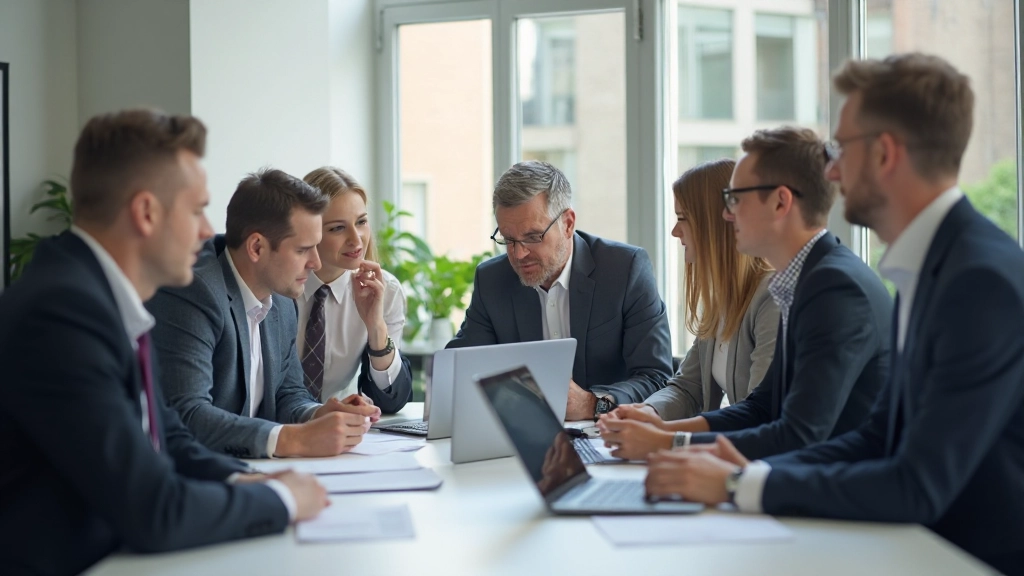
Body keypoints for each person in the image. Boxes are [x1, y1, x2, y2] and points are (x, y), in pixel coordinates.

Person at [644, 53, 1024, 575]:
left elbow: (917, 483)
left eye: (842, 149)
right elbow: (876, 437)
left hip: (961, 557)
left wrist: (740, 482)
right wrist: (730, 466)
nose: (832, 170)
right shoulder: (934, 265)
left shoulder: (977, 279)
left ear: (886, 153)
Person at [0, 109, 328, 574]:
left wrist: (248, 480)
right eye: (196, 210)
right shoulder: (61, 314)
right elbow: (154, 511)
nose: (205, 231)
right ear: (146, 213)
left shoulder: (96, 295)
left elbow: (166, 432)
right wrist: (280, 499)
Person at [601, 127, 892, 461]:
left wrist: (668, 444)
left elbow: (798, 435)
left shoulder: (836, 289)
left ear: (781, 202)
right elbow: (761, 408)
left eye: (735, 199)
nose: (727, 214)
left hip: (835, 495)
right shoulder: (809, 279)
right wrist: (658, 428)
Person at [148, 169, 377, 459]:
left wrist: (318, 414)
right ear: (256, 247)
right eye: (303, 250)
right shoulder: (192, 292)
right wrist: (295, 439)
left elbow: (288, 394)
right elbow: (187, 414)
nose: (315, 262)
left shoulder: (280, 298)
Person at [447, 160, 673, 420]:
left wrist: (593, 404)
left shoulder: (624, 270)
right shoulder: (492, 280)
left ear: (567, 223)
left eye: (533, 237)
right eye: (508, 240)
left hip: (609, 437)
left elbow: (657, 378)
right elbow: (458, 372)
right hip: (523, 438)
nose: (519, 254)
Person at [608, 159, 778, 453]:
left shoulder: (771, 299)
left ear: (714, 223)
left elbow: (758, 413)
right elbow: (688, 386)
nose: (675, 231)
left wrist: (664, 436)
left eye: (682, 217)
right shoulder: (723, 300)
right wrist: (648, 414)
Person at [296, 167, 412, 412]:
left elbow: (391, 400)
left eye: (361, 222)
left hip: (340, 429)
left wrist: (376, 327)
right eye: (337, 228)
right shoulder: (280, 287)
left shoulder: (384, 289)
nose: (357, 239)